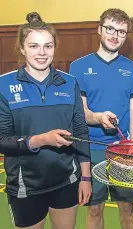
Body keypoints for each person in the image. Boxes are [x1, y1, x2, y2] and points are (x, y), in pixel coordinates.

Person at [0, 12, 91, 229]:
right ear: (22, 48)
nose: (42, 53)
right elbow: (2, 140)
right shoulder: (4, 85)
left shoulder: (70, 83)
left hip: (66, 182)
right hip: (25, 187)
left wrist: (85, 177)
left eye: (48, 46)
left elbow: (80, 131)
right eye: (34, 46)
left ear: (54, 48)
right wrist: (42, 139)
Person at [69, 8, 133, 229]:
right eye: (110, 28)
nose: (115, 35)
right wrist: (98, 117)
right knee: (94, 208)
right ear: (99, 29)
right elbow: (81, 114)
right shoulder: (78, 67)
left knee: (127, 207)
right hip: (92, 150)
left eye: (121, 31)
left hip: (123, 149)